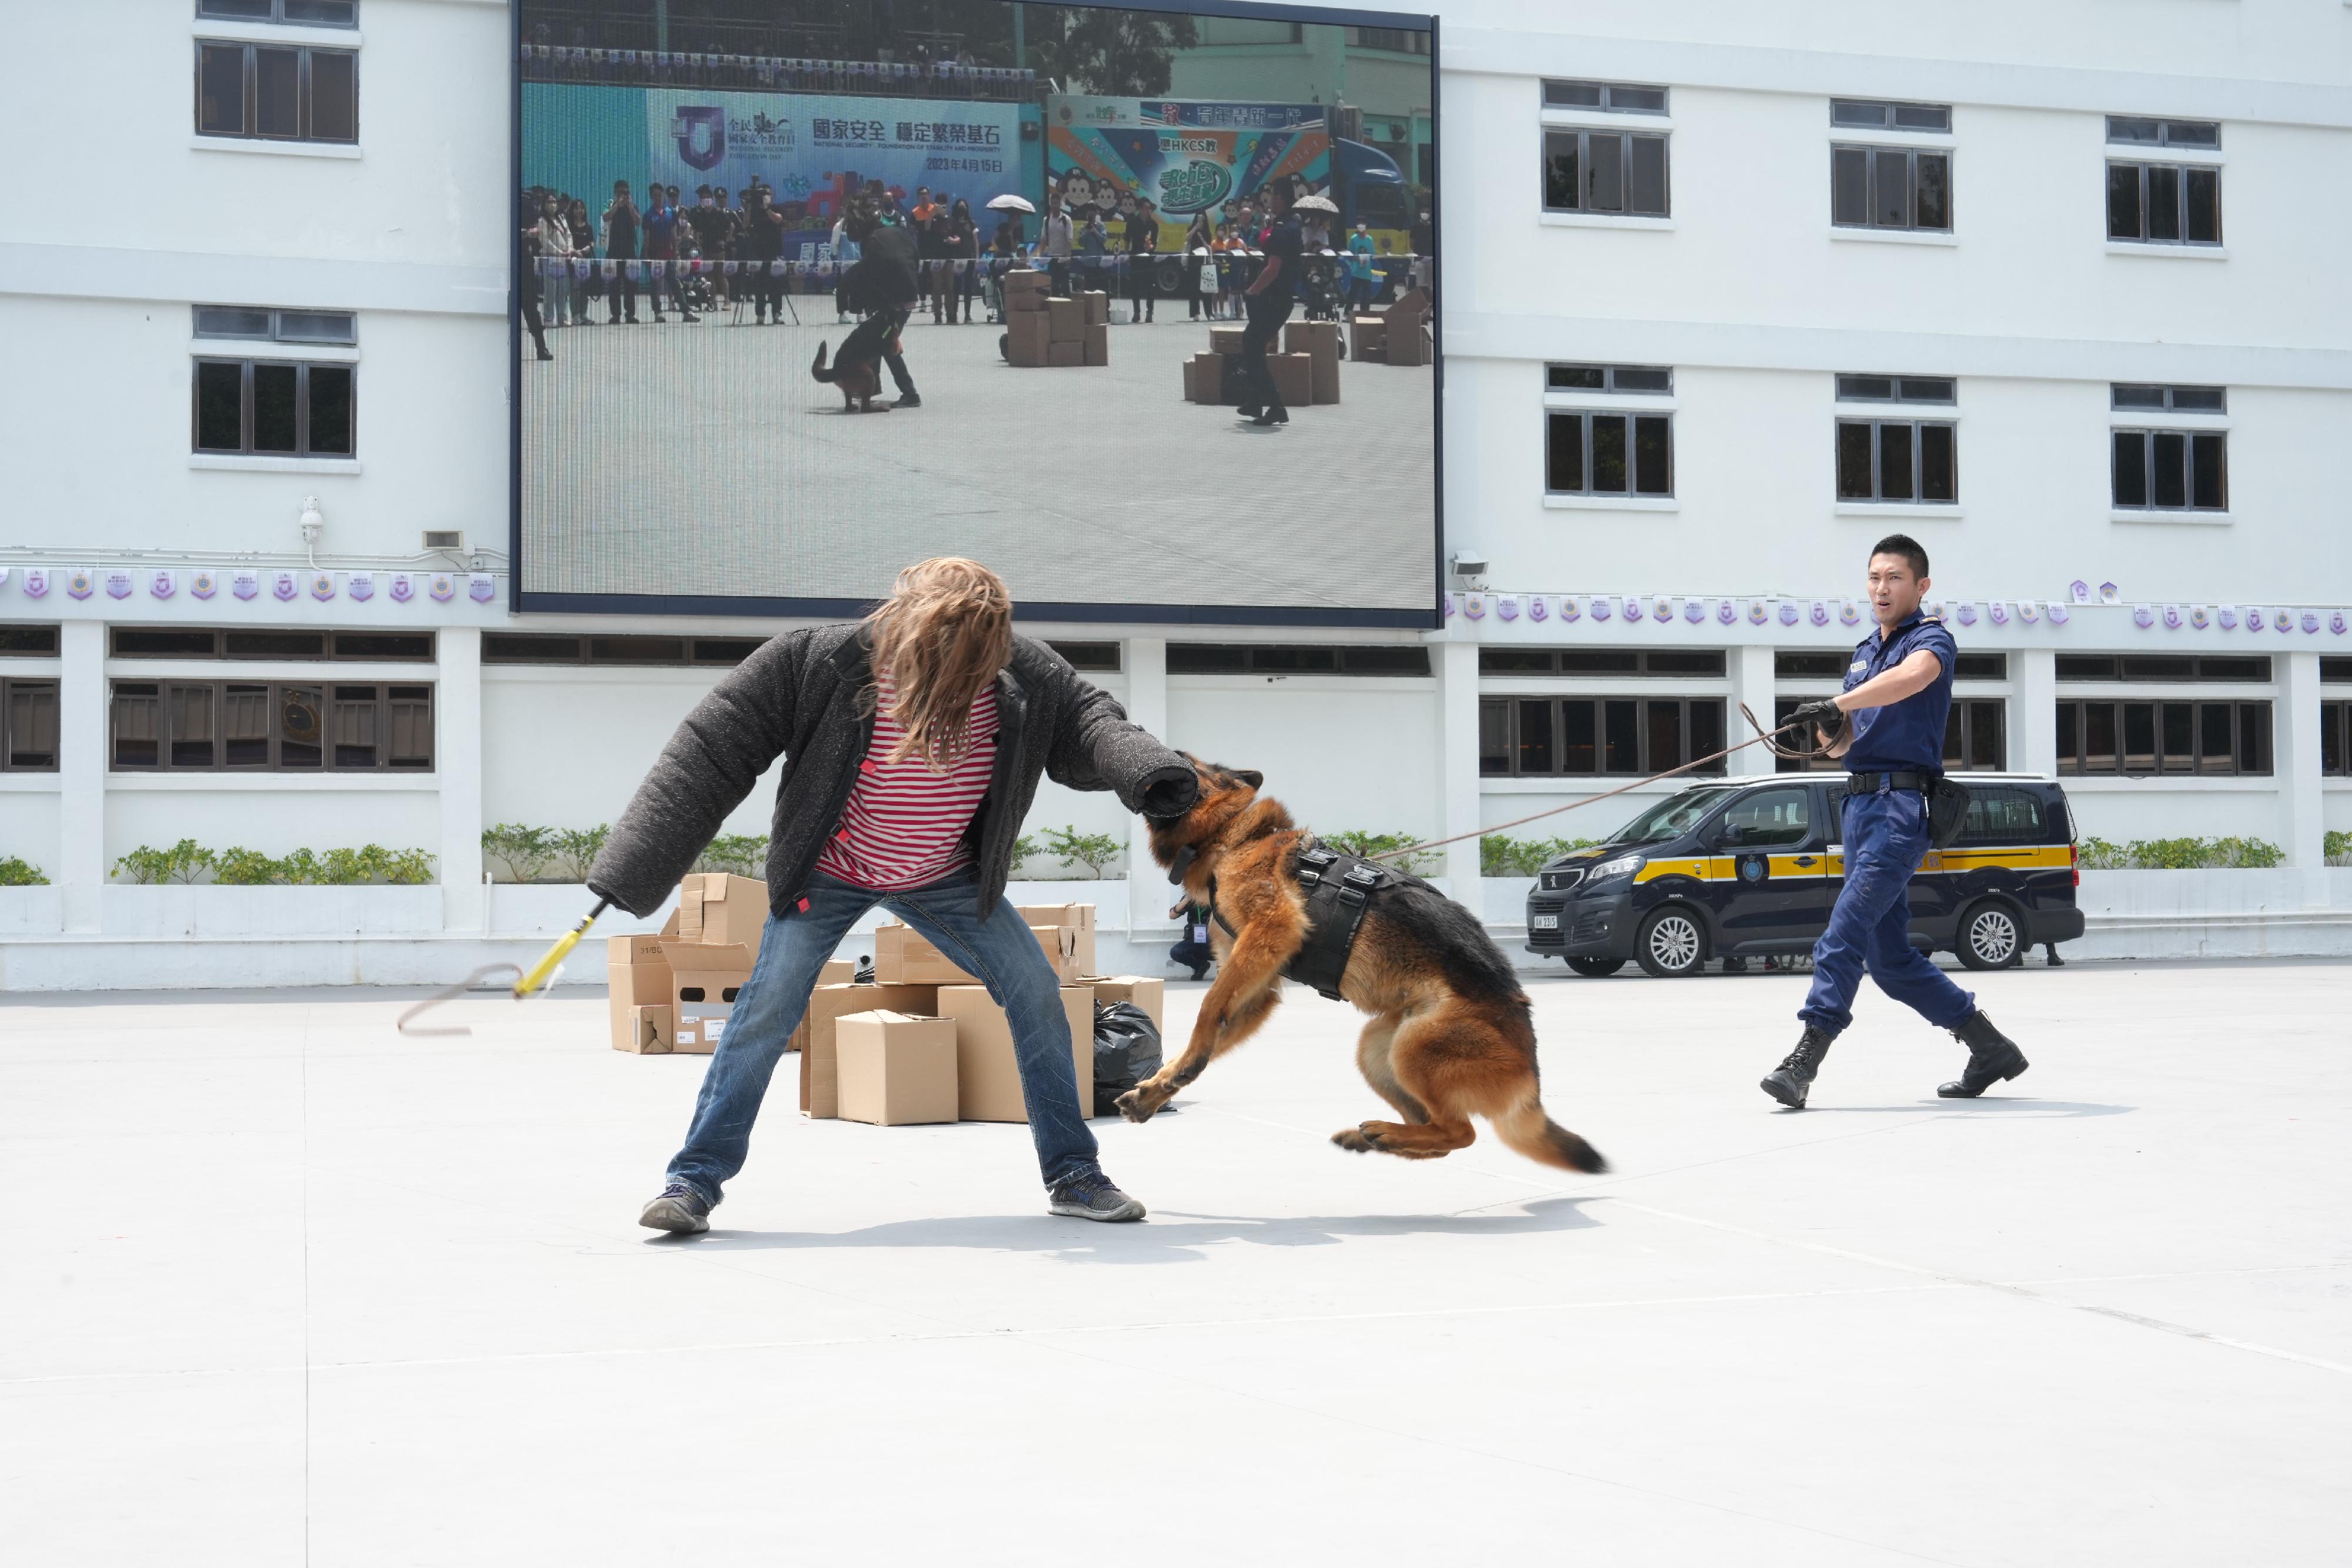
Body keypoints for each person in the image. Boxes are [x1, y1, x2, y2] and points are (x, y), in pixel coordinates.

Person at [596, 558, 1201, 1233]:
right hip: (831, 870)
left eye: (978, 658)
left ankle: (1074, 1174)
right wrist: (632, 865)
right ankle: (693, 1182)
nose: (963, 674)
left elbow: (1091, 723)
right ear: (910, 631)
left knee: (1036, 997)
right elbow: (711, 748)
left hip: (948, 875)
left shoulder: (1020, 671)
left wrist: (1147, 770)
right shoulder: (820, 660)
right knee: (765, 1011)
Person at [1760, 535, 2032, 1111]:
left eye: (1894, 578)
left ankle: (1805, 1058)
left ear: (1921, 586)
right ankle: (1990, 1048)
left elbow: (1913, 679)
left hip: (1899, 810)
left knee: (1843, 932)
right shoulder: (1864, 652)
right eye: (1874, 578)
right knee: (1889, 961)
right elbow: (1841, 748)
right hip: (1858, 808)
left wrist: (1843, 700)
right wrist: (1822, 724)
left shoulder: (1931, 640)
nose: (1881, 588)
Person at [842, 199, 923, 408]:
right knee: (879, 338)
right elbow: (915, 258)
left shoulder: (871, 241)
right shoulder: (899, 232)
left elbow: (871, 273)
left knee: (886, 343)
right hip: (910, 295)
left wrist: (867, 303)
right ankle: (873, 386)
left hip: (890, 300)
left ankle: (910, 393)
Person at [1234, 180, 1301, 427]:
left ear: (1281, 199)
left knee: (1252, 348)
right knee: (1253, 346)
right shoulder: (1285, 225)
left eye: (1272, 195)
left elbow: (1274, 269)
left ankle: (1276, 407)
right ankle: (1254, 401)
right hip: (1275, 298)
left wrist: (1252, 291)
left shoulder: (1284, 229)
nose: (1269, 199)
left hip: (1275, 299)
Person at [743, 185, 785, 324]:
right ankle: (760, 314)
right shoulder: (755, 211)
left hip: (774, 252)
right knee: (759, 284)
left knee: (776, 284)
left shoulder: (776, 208)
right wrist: (749, 208)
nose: (765, 198)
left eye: (768, 195)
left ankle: (777, 313)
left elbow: (778, 220)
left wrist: (767, 209)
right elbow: (746, 224)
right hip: (759, 252)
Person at [516, 200, 553, 360]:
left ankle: (541, 346)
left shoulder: (526, 205)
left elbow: (537, 229)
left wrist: (525, 232)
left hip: (524, 261)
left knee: (530, 306)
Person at [602, 179, 640, 323]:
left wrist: (630, 206)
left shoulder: (633, 206)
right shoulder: (610, 204)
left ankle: (630, 314)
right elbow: (606, 217)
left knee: (630, 285)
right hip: (614, 250)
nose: (623, 195)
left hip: (629, 250)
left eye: (625, 192)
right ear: (615, 193)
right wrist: (617, 205)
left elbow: (638, 222)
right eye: (620, 192)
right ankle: (615, 314)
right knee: (614, 285)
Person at [536, 192, 575, 327]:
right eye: (549, 202)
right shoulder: (543, 221)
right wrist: (559, 252)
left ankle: (562, 317)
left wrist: (569, 249)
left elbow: (569, 235)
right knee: (550, 289)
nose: (553, 205)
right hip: (550, 258)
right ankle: (548, 318)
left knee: (563, 290)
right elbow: (545, 241)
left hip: (563, 259)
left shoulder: (562, 218)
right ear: (544, 205)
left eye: (554, 202)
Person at [944, 198, 981, 323]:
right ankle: (954, 314)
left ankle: (968, 315)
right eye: (960, 206)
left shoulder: (972, 223)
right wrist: (951, 241)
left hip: (969, 258)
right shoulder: (952, 223)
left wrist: (977, 258)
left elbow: (976, 241)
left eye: (964, 206)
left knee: (968, 288)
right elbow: (947, 238)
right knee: (956, 288)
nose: (962, 208)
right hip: (957, 259)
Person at [1124, 195, 1160, 323]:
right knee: (1135, 286)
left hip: (1149, 259)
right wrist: (1127, 255)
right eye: (1145, 208)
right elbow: (1127, 240)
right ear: (1140, 209)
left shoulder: (1154, 225)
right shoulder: (1132, 223)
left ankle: (1150, 313)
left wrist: (1150, 247)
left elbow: (1155, 242)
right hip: (1136, 257)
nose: (1147, 210)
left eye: (1149, 208)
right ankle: (1137, 312)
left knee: (1150, 286)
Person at [1037, 196, 1074, 298]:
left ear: (1060, 205)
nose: (1054, 205)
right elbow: (1043, 238)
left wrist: (1068, 256)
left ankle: (1067, 308)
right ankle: (1055, 308)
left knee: (1065, 285)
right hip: (1052, 257)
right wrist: (1041, 255)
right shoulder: (1047, 220)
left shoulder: (1066, 220)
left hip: (1063, 257)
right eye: (1052, 203)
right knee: (1054, 286)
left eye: (1056, 203)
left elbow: (1069, 239)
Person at [1170, 901, 1214, 982]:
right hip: (1194, 940)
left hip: (1214, 940)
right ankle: (1201, 966)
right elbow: (1172, 915)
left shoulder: (1215, 897)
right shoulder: (1191, 898)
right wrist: (1187, 899)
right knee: (1176, 952)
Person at [1184, 211, 1214, 319]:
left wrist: (1202, 239)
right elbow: (1187, 238)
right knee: (1194, 287)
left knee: (1207, 287)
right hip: (1193, 260)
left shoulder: (1207, 232)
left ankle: (1209, 312)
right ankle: (1195, 313)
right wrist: (1196, 227)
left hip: (1204, 260)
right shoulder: (1192, 228)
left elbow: (1209, 246)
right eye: (1199, 217)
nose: (1201, 219)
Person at [1345, 220, 1377, 313]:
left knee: (1366, 295)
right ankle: (1347, 313)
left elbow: (1372, 254)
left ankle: (1365, 313)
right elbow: (1350, 254)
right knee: (1353, 294)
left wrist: (1366, 258)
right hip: (1356, 271)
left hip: (1367, 272)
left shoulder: (1370, 239)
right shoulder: (1354, 239)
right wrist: (1358, 259)